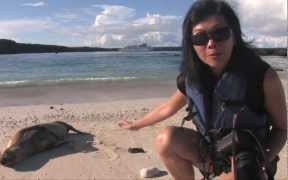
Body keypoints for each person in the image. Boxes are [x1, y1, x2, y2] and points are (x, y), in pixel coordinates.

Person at [118, 0, 287, 179]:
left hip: (249, 162)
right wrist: (137, 124)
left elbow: (282, 129)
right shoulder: (192, 78)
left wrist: (262, 161)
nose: (211, 43)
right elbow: (168, 107)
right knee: (165, 139)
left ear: (234, 35)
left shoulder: (262, 76)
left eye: (220, 33)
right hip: (212, 153)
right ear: (191, 43)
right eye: (200, 38)